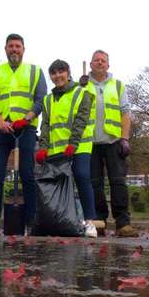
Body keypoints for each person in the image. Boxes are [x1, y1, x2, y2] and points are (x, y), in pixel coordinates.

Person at [0, 33, 47, 234]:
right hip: (0, 130)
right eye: (10, 46)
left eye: (18, 46)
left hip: (25, 129)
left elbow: (40, 99)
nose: (14, 49)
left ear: (23, 49)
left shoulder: (35, 72)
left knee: (27, 175)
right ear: (5, 49)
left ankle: (30, 221)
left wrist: (26, 119)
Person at [35, 59, 98, 238]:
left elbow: (81, 120)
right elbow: (45, 126)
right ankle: (60, 220)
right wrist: (43, 147)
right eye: (54, 73)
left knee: (82, 176)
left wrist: (73, 143)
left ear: (68, 73)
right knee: (59, 185)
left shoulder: (82, 93)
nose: (58, 76)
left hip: (79, 146)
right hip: (57, 150)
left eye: (61, 72)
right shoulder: (47, 100)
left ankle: (89, 221)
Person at [82, 50, 138, 237]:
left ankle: (123, 223)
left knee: (118, 182)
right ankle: (99, 222)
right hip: (90, 143)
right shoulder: (81, 85)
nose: (99, 63)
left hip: (113, 141)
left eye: (103, 60)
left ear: (108, 65)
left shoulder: (118, 85)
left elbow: (125, 112)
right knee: (94, 183)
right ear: (90, 65)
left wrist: (125, 138)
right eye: (96, 60)